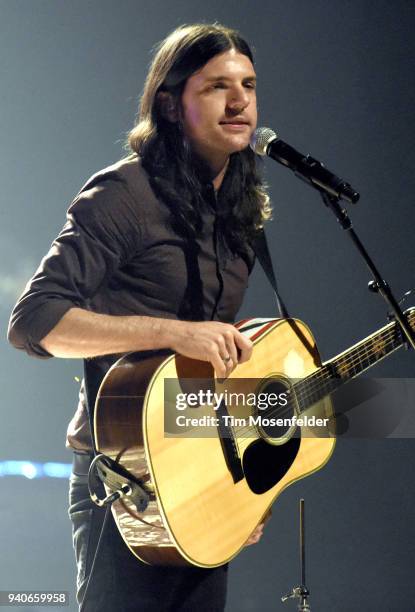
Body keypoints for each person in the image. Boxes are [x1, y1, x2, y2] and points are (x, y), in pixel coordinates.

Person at [8, 23, 272, 612]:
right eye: (216, 87)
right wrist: (173, 332)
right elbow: (32, 322)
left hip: (201, 474)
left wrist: (243, 483)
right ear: (171, 105)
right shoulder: (123, 195)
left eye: (249, 85)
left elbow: (208, 371)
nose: (240, 102)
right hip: (123, 481)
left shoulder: (239, 207)